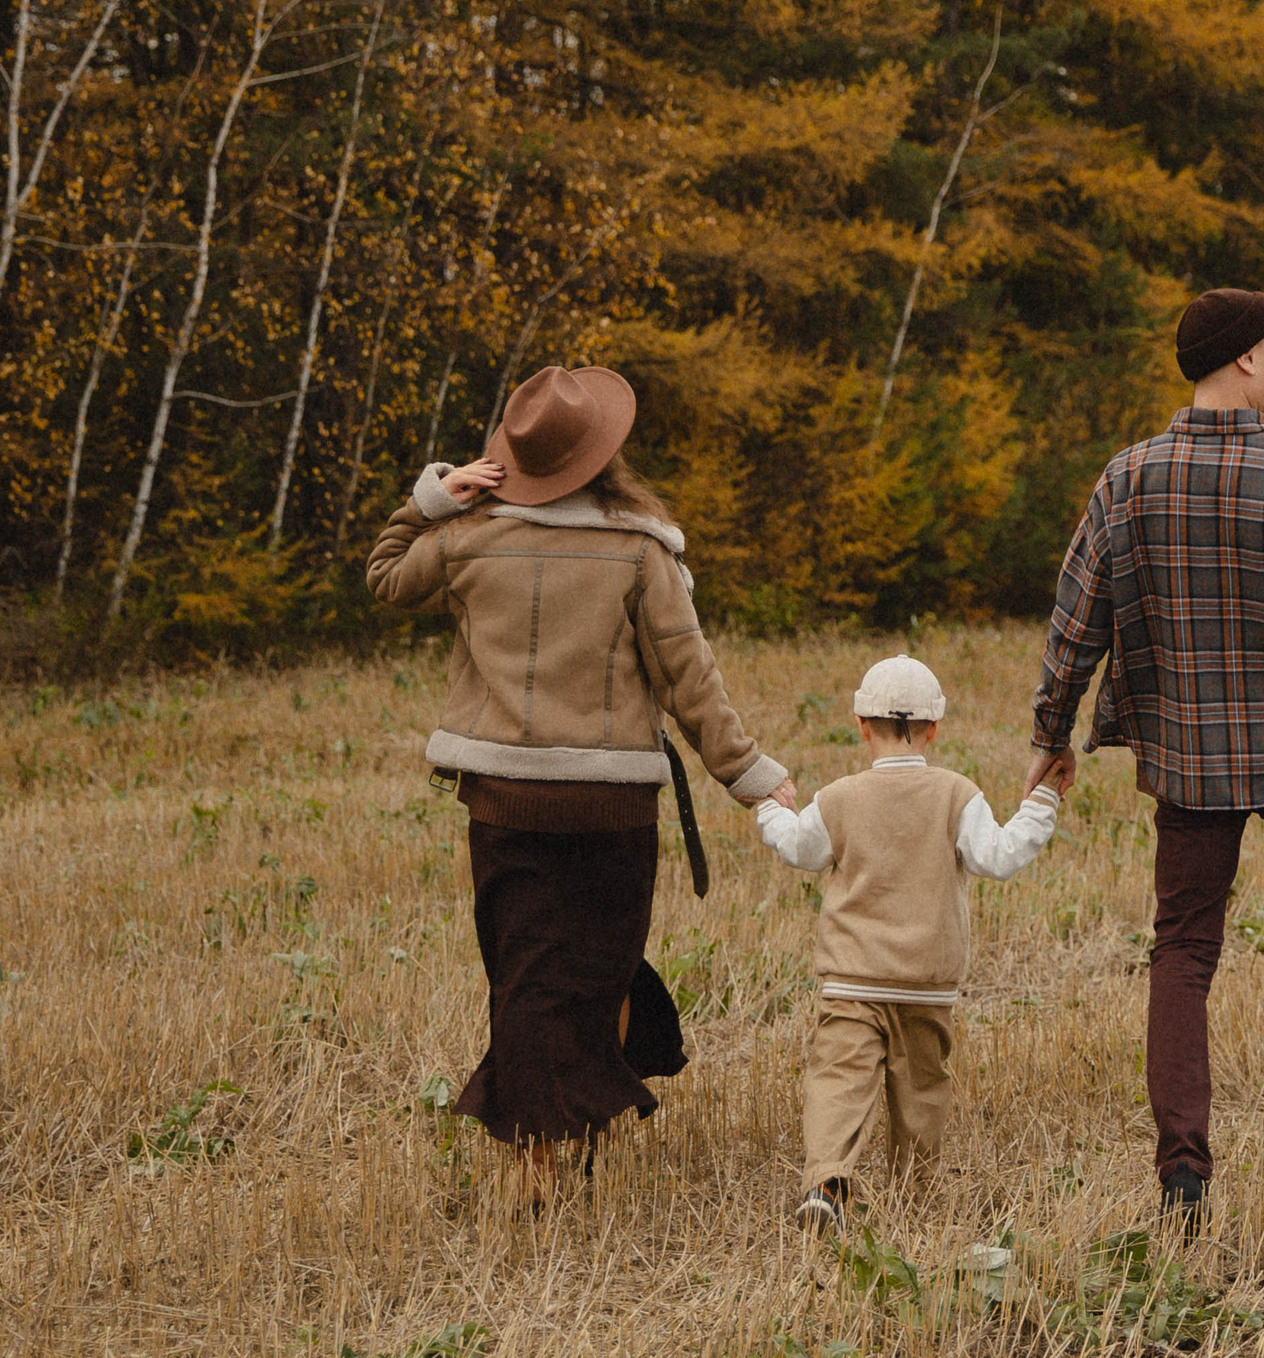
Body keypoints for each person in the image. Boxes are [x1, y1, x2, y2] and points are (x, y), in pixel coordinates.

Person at [1028, 288, 1264, 1224]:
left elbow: (1077, 616)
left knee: (1184, 951)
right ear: (1244, 360)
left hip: (1190, 752)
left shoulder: (1130, 477)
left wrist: (1052, 733)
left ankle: (1183, 1174)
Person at [366, 364, 794, 1203]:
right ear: (603, 455)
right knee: (600, 971)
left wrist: (431, 498)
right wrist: (750, 775)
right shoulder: (640, 549)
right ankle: (581, 1121)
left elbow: (384, 575)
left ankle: (534, 1156)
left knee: (524, 974)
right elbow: (688, 677)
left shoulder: (465, 537)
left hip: (502, 800)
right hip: (612, 803)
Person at [752, 654, 1064, 1229]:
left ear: (862, 724)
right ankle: (914, 1197)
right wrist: (1042, 803)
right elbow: (998, 857)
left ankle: (827, 1182)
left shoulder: (839, 796)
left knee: (839, 1080)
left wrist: (770, 811)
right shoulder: (956, 794)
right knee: (922, 1091)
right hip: (928, 984)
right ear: (935, 729)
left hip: (851, 980)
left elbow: (800, 849)